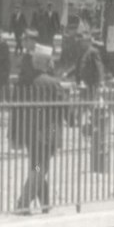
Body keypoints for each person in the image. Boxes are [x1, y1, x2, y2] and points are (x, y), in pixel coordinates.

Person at [15, 70, 70, 214]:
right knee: (39, 169)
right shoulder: (53, 83)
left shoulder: (25, 81)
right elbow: (65, 107)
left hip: (31, 133)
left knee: (38, 166)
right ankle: (23, 202)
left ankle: (45, 203)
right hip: (48, 133)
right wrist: (72, 119)